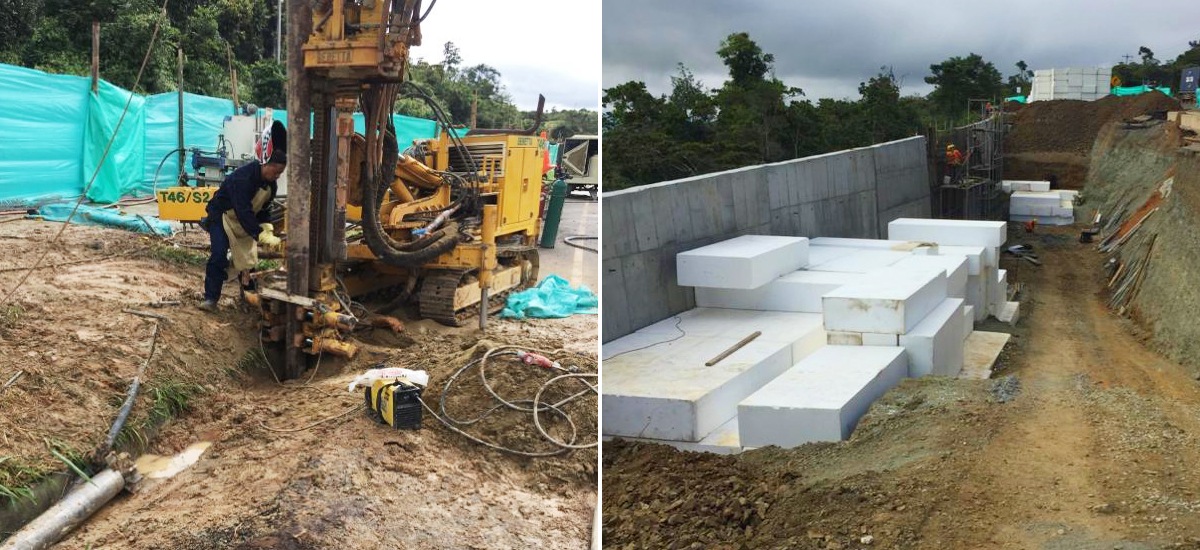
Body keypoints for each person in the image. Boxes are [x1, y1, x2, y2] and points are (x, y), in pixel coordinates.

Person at [199, 121, 286, 311]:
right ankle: (211, 299)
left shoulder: (271, 185)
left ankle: (249, 299)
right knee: (219, 254)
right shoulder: (243, 178)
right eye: (276, 171)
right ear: (266, 163)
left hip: (244, 222)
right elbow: (243, 209)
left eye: (281, 173)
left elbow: (263, 209)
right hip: (222, 217)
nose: (278, 175)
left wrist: (267, 228)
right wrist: (258, 233)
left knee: (249, 261)